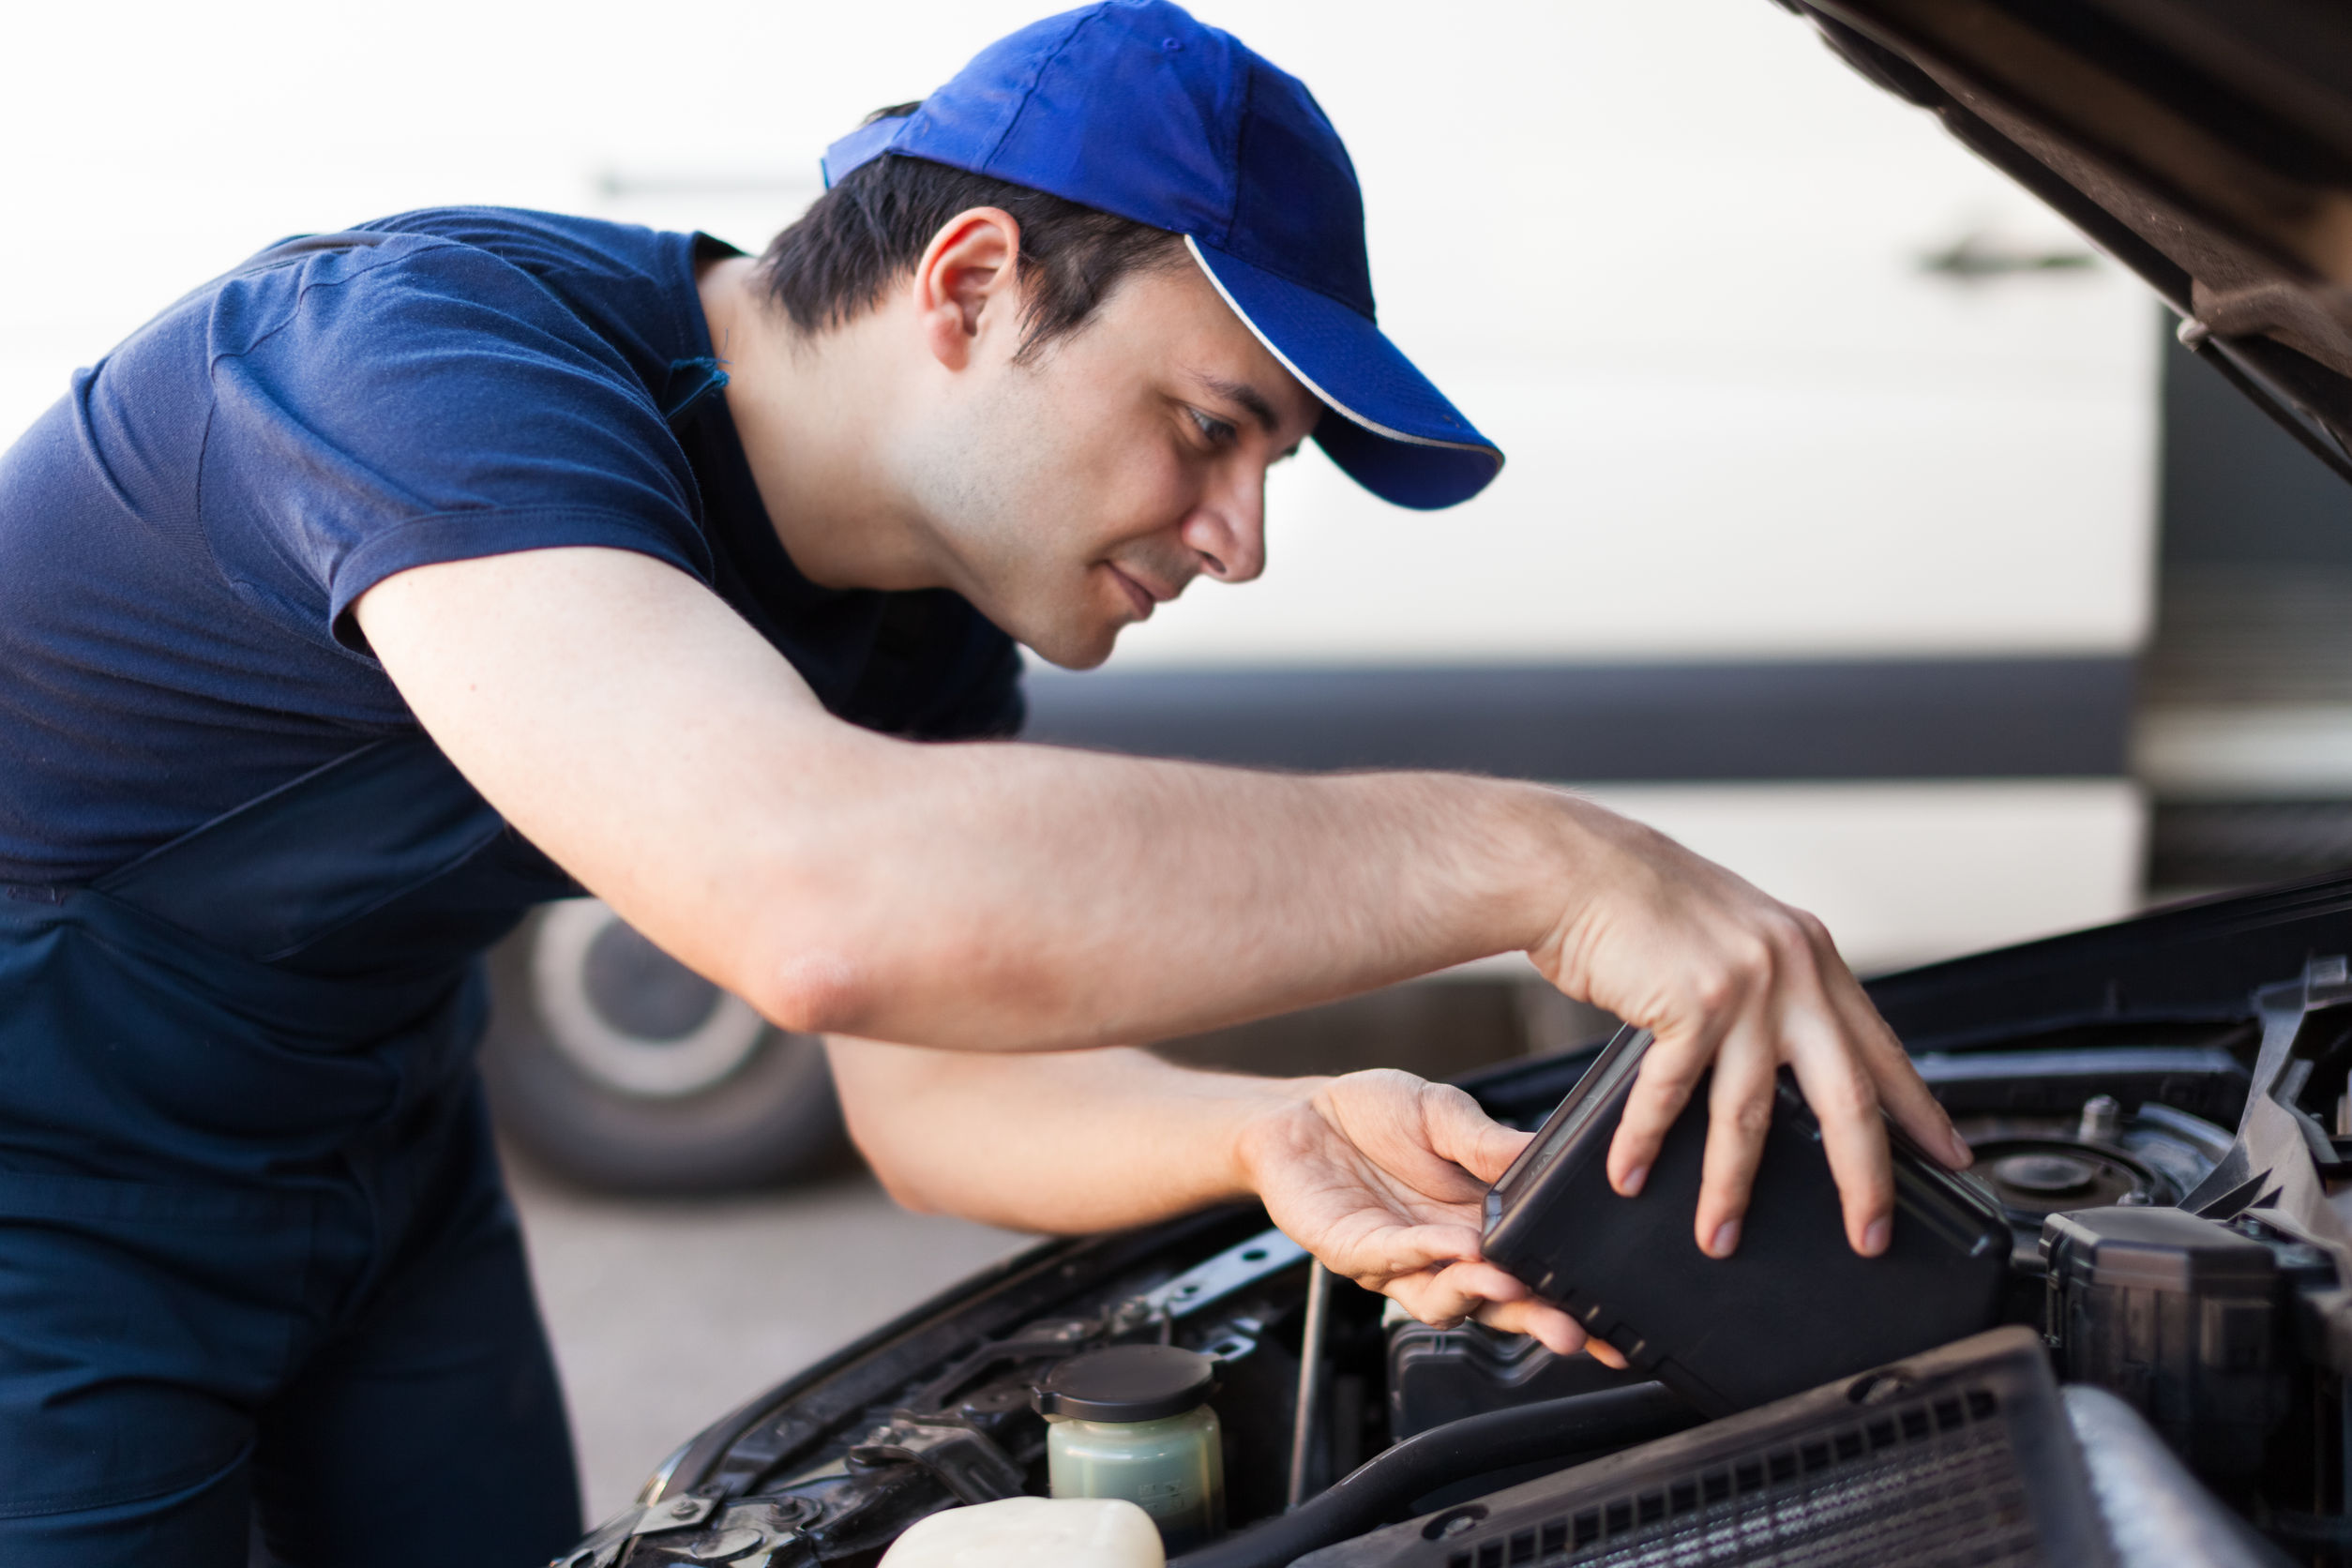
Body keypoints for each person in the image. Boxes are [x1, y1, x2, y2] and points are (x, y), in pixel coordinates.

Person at [0, 3, 1970, 1562]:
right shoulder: (414, 370)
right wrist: (1540, 857)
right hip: (39, 1198)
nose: (1238, 537)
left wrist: (1272, 1128)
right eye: (1214, 427)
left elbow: (928, 1087)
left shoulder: (909, 618)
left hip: (376, 1151)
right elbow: (821, 903)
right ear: (968, 284)